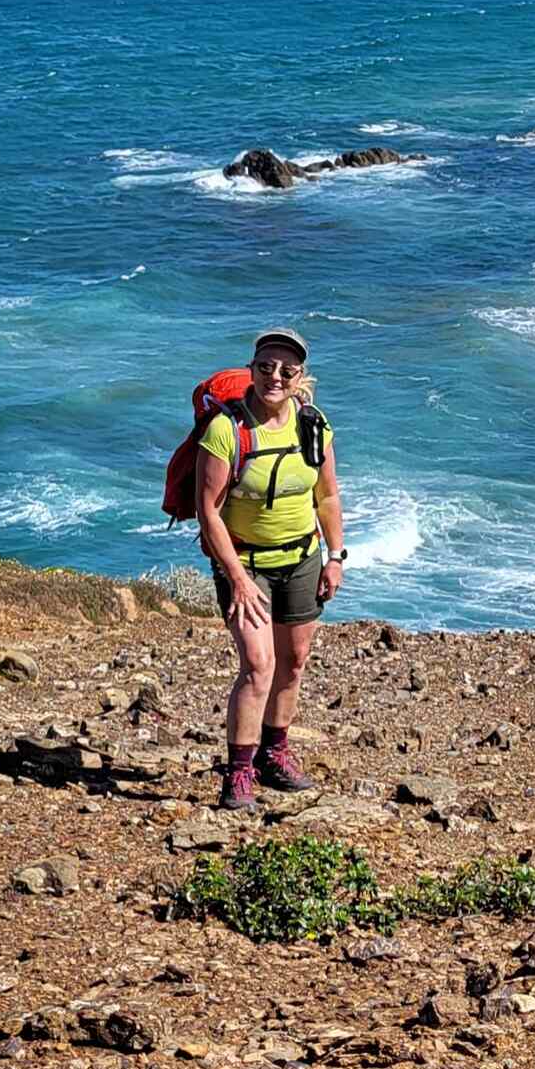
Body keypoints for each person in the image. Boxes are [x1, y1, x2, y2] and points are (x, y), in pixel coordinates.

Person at [195, 328, 347, 811]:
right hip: (246, 563)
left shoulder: (314, 425)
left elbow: (327, 495)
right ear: (252, 369)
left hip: (301, 559)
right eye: (265, 367)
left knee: (293, 662)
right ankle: (238, 771)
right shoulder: (226, 431)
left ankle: (274, 753)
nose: (274, 377)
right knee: (259, 665)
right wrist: (237, 579)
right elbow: (208, 511)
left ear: (301, 376)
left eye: (286, 370)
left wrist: (335, 556)